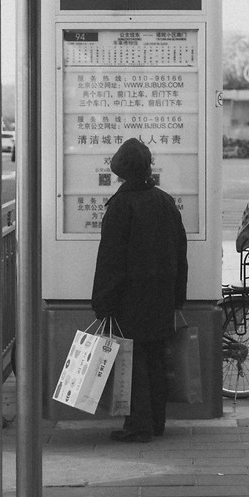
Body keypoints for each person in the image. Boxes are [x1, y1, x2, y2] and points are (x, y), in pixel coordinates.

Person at [91, 138, 188, 442]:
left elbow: (111, 258)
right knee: (156, 358)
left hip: (131, 296)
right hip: (162, 294)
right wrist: (178, 296)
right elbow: (180, 252)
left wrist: (103, 300)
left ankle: (138, 426)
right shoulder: (164, 201)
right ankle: (156, 422)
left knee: (134, 362)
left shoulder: (121, 205)